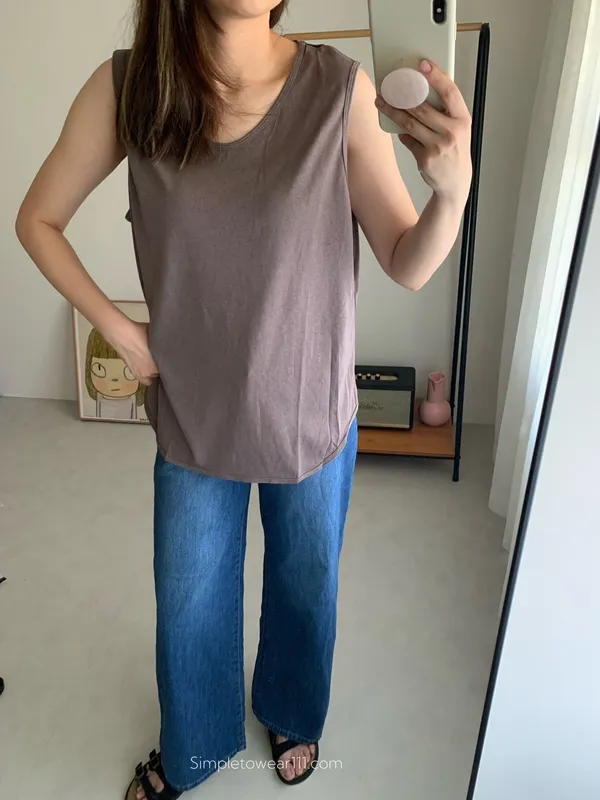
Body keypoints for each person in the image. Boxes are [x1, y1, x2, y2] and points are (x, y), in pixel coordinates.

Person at [15, 1, 472, 797]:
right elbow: (38, 219)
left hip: (310, 408)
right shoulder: (131, 87)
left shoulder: (339, 90)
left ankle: (293, 709)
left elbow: (407, 261)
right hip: (195, 413)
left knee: (306, 583)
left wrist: (452, 192)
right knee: (189, 601)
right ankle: (194, 746)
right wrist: (123, 334)